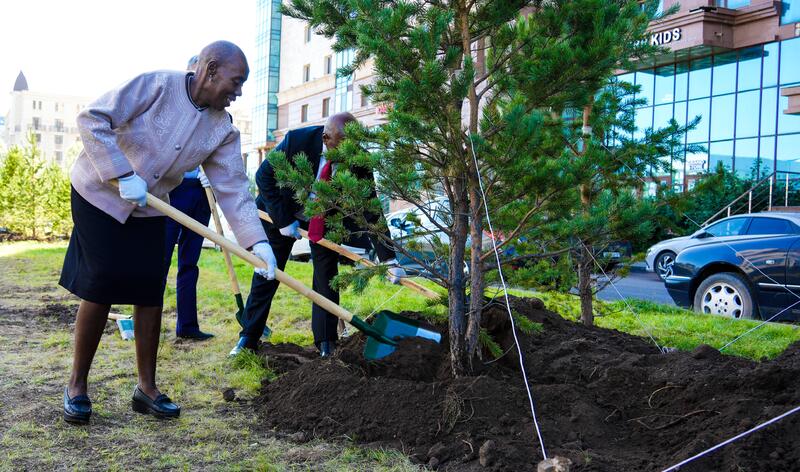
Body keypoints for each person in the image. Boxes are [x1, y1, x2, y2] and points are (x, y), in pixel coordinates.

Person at [60, 41, 277, 425]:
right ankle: (76, 385)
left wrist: (257, 242)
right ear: (210, 71)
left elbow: (233, 188)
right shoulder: (157, 85)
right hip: (98, 194)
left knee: (149, 289)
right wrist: (121, 174)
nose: (239, 91)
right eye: (236, 80)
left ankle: (146, 389)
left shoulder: (222, 130)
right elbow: (92, 118)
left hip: (151, 206)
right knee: (102, 281)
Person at [229, 113, 405, 358]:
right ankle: (248, 337)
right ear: (326, 137)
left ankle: (326, 343)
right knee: (269, 271)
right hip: (281, 210)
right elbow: (263, 177)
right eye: (342, 147)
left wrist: (389, 260)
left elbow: (371, 209)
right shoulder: (297, 141)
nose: (347, 156)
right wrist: (283, 220)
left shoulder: (360, 159)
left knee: (326, 275)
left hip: (325, 216)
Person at [162, 55, 214, 341]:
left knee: (189, 261)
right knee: (159, 258)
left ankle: (187, 326)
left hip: (201, 193)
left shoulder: (216, 113)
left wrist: (212, 179)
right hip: (174, 190)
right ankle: (149, 323)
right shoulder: (175, 109)